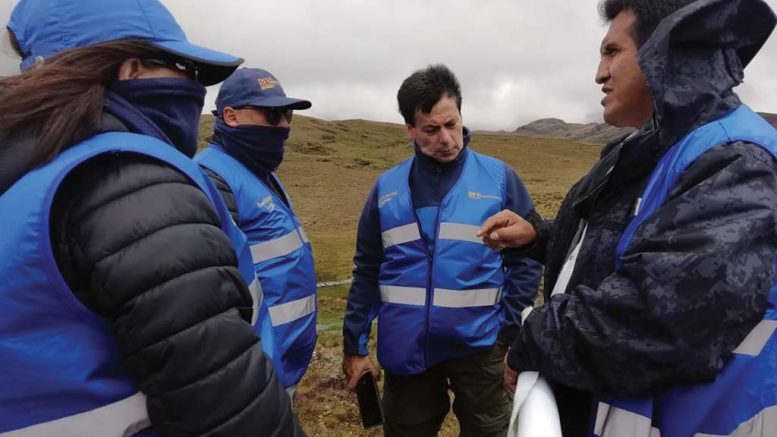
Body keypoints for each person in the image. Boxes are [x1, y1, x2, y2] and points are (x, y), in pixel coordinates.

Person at [0, 0, 303, 435]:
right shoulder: (129, 181)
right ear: (132, 68)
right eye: (184, 66)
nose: (194, 85)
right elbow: (227, 406)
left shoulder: (29, 176)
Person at [478, 0, 777, 436]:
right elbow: (625, 244)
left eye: (612, 52)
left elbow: (662, 316)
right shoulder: (656, 147)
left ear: (664, 49)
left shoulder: (735, 161)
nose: (599, 74)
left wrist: (536, 337)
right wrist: (538, 238)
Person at [342, 64, 543, 436]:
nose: (447, 139)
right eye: (431, 130)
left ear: (461, 114)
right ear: (410, 129)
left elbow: (528, 257)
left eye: (452, 124)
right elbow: (367, 268)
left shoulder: (500, 180)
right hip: (406, 350)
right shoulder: (386, 189)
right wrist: (354, 344)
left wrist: (508, 329)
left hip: (481, 346)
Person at [196, 67, 317, 400]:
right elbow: (212, 299)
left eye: (288, 114)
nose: (284, 126)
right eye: (273, 115)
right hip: (254, 380)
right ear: (230, 116)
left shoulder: (259, 172)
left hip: (280, 370)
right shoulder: (213, 180)